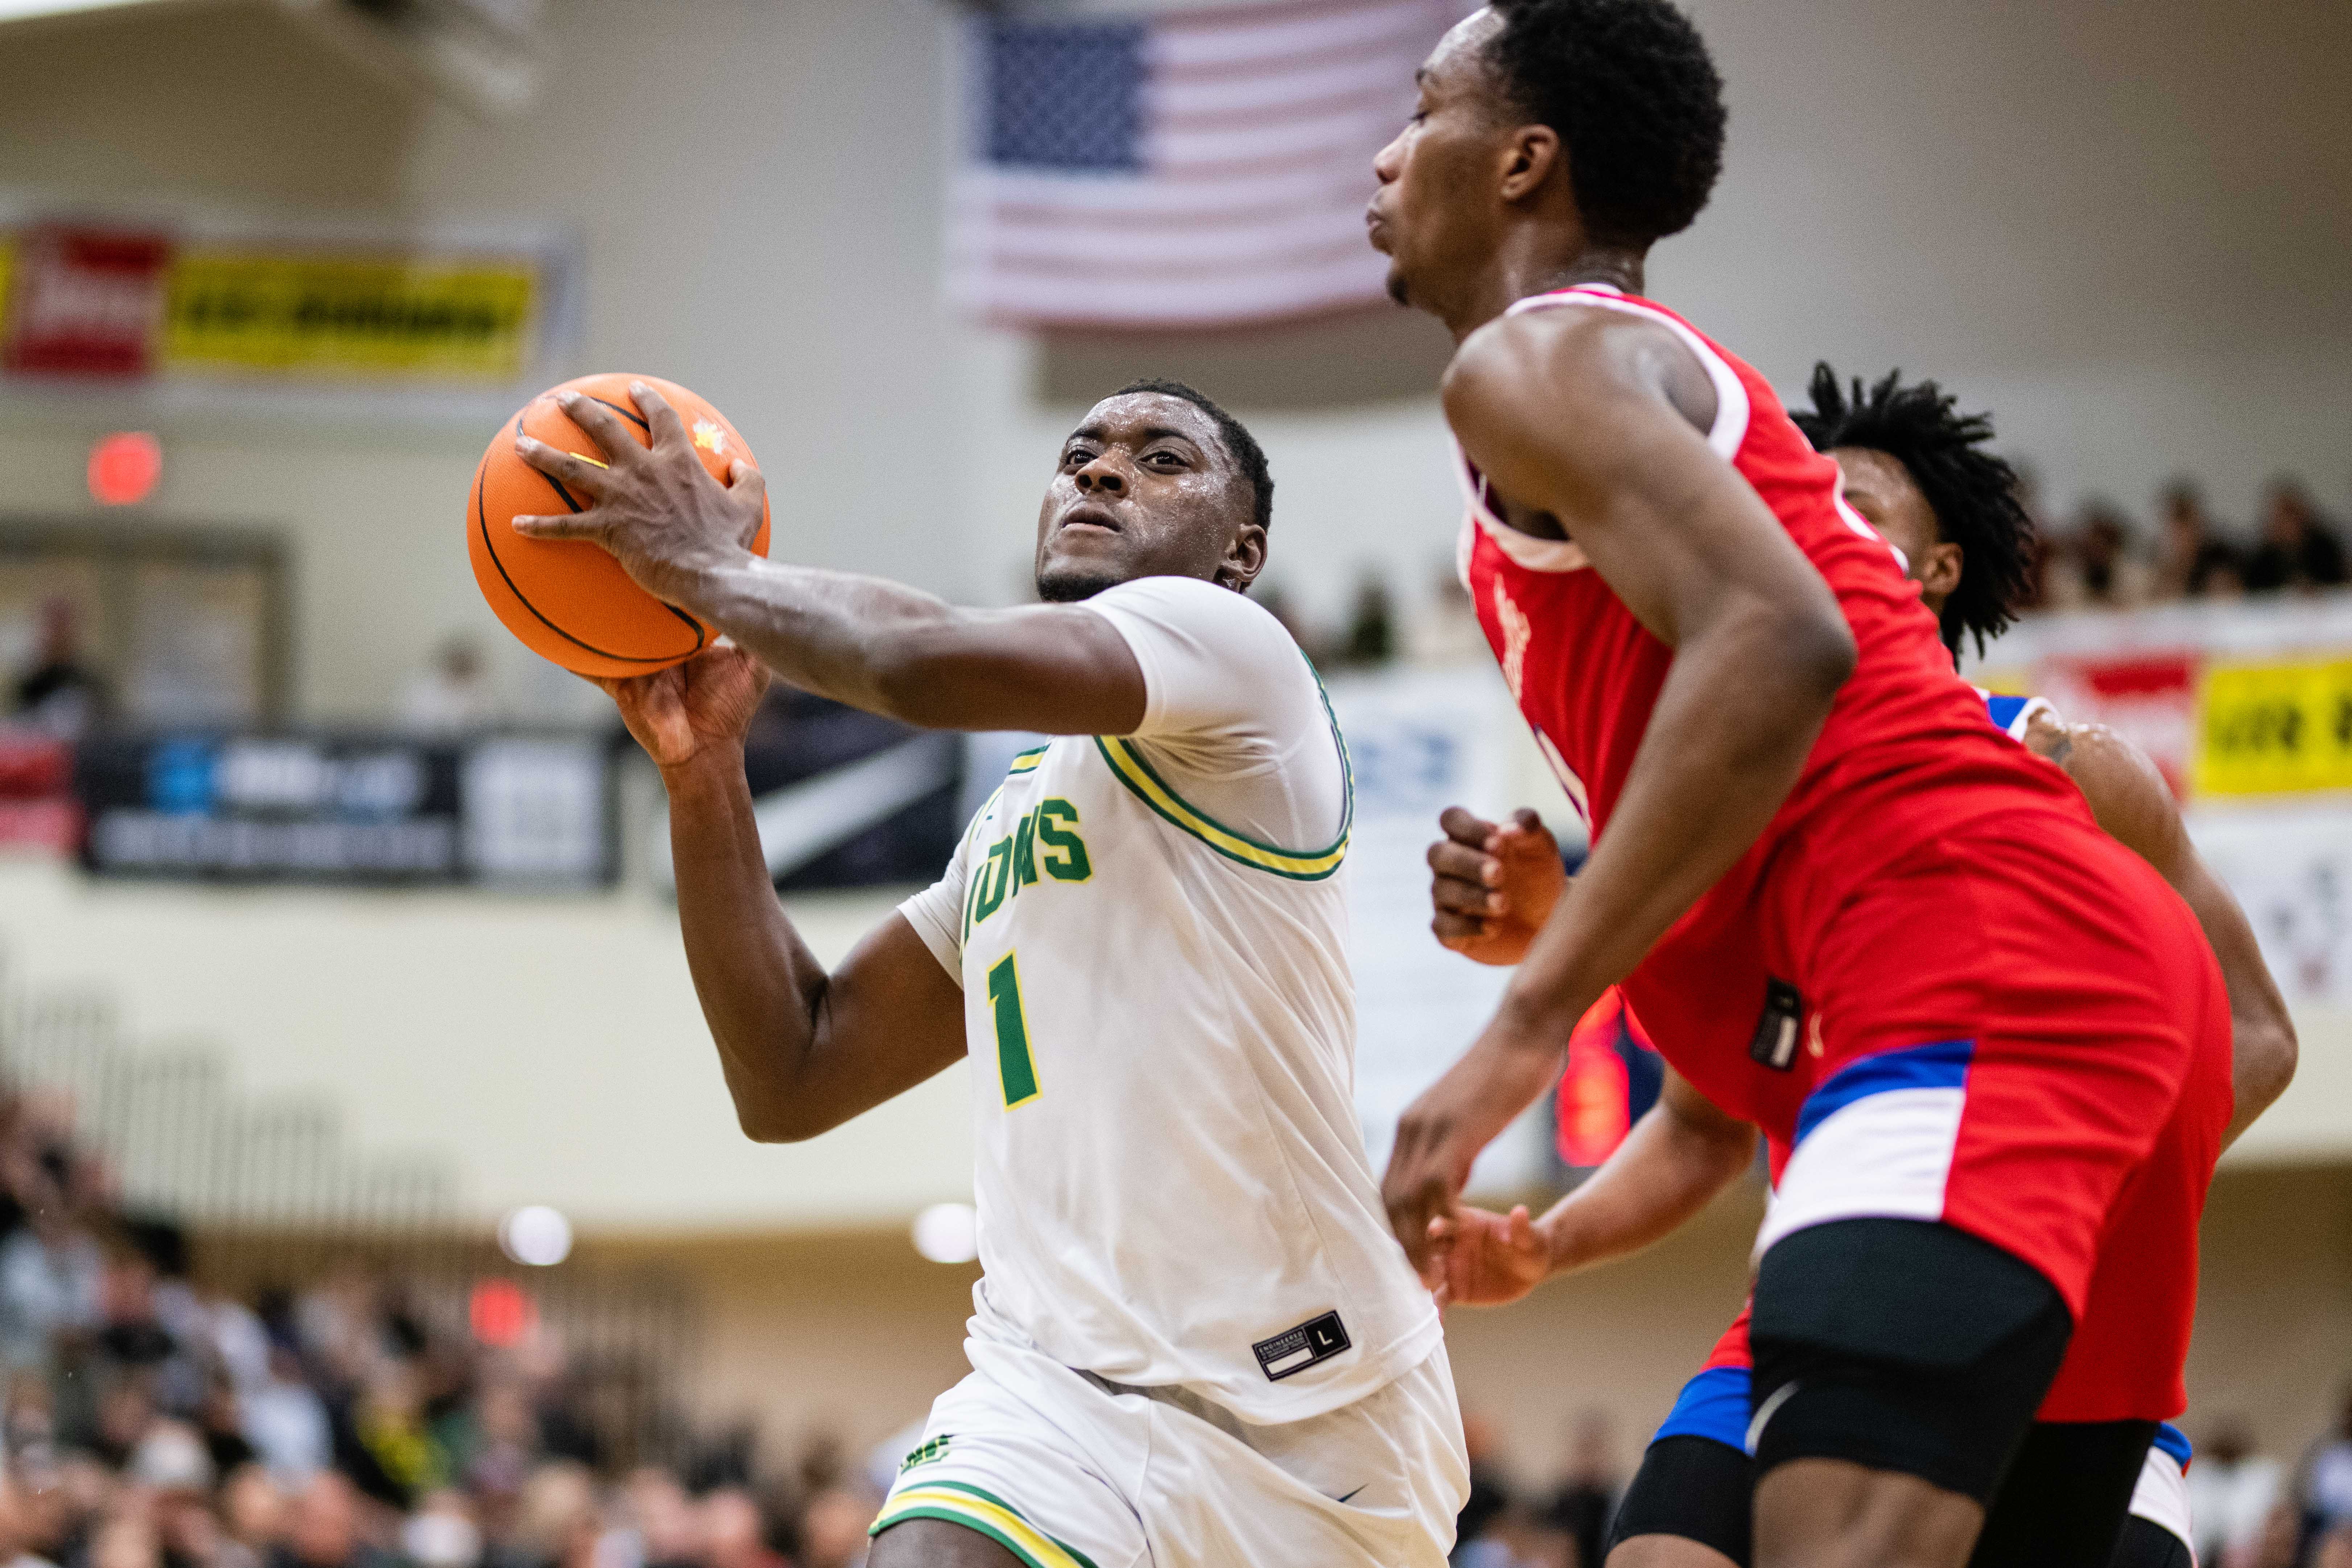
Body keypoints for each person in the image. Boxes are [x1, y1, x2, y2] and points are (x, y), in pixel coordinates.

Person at [1365, 5, 2232, 1564]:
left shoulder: (1533, 355)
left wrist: (1518, 1027)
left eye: (1416, 109)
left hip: (1978, 964)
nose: (1378, 152)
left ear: (1519, 161)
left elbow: (1782, 639)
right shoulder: (1564, 446)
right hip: (2011, 978)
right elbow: (1756, 755)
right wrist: (1581, 928)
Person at [511, 379, 1468, 1568]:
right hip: (1053, 1390)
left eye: (1160, 458)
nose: (1100, 472)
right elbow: (793, 1075)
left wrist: (707, 569)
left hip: (1309, 1410)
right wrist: (704, 772)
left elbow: (913, 662)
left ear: (1240, 554)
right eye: (1079, 453)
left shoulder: (1241, 661)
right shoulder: (1018, 815)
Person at [1421, 366, 2299, 1568]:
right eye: (1796, 511)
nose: (1811, 529)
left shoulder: (2061, 769)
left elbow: (2256, 1034)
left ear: (1935, 571)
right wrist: (1549, 1243)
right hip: (1823, 1289)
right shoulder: (1740, 802)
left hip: (2055, 1307)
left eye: (1854, 511)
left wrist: (2066, 1167)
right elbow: (1698, 1128)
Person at [2242, 481, 2348, 593]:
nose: (2290, 524)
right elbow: (2256, 592)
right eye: (2283, 518)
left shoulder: (2324, 549)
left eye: (2293, 515)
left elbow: (2338, 582)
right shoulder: (2263, 558)